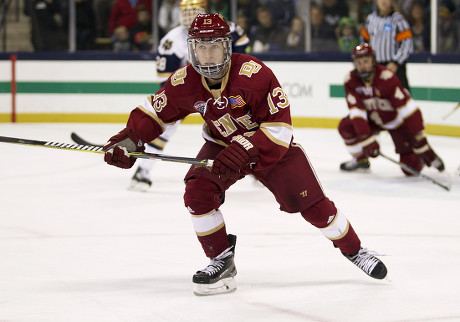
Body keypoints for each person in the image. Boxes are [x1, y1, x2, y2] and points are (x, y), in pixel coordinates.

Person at [103, 13, 388, 296]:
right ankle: (221, 260)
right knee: (198, 193)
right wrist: (130, 140)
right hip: (222, 146)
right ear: (192, 49)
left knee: (316, 208)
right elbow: (155, 111)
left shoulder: (254, 74)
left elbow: (280, 130)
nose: (208, 54)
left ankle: (355, 250)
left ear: (227, 46)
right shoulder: (185, 80)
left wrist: (247, 148)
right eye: (201, 46)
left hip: (271, 150)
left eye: (214, 45)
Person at [130, 0, 249, 191]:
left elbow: (243, 52)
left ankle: (261, 169)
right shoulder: (171, 41)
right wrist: (181, 98)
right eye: (185, 12)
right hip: (189, 92)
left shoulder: (226, 28)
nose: (188, 16)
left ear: (205, 11)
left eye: (194, 11)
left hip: (223, 89)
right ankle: (143, 171)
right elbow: (165, 79)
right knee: (165, 126)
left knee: (244, 124)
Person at [338, 43, 445, 175]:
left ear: (373, 60)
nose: (362, 66)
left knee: (410, 168)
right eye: (358, 62)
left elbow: (408, 110)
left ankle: (419, 159)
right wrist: (366, 138)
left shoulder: (387, 77)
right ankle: (360, 160)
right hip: (373, 121)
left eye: (366, 61)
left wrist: (418, 138)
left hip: (396, 123)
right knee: (346, 126)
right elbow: (357, 112)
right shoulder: (351, 80)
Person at [361, 0, 413, 91]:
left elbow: (407, 43)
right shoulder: (371, 19)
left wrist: (396, 62)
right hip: (375, 67)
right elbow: (364, 40)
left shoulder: (398, 20)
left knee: (401, 98)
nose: (383, 1)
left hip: (395, 67)